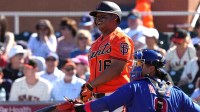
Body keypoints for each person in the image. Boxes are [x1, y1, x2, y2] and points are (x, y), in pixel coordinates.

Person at [73, 49, 200, 112]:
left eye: (139, 64)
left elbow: (106, 103)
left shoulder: (134, 87)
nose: (134, 67)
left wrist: (80, 108)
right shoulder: (177, 92)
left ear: (150, 68)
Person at [79, 1, 134, 110]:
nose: (98, 19)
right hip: (98, 99)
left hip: (116, 96)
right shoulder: (95, 44)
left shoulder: (121, 39)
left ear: (115, 17)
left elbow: (116, 68)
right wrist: (87, 86)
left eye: (103, 16)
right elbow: (96, 72)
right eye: (97, 17)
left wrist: (91, 85)